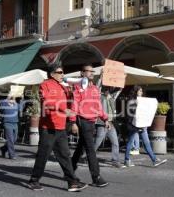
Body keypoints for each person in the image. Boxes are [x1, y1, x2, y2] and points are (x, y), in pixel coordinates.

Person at [28, 64, 87, 192]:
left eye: (63, 72)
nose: (62, 74)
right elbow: (47, 102)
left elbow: (71, 102)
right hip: (48, 127)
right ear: (52, 74)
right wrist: (63, 108)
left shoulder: (63, 86)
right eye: (60, 72)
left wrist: (74, 91)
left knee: (65, 155)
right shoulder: (46, 85)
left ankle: (72, 182)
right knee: (43, 155)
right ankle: (34, 180)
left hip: (60, 126)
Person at [70, 64, 109, 187]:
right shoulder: (78, 87)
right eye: (89, 71)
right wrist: (73, 122)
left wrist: (105, 118)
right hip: (83, 121)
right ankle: (96, 177)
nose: (92, 72)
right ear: (82, 73)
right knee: (90, 149)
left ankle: (69, 169)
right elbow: (74, 105)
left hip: (92, 121)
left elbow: (98, 105)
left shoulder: (95, 88)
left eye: (93, 71)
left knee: (81, 147)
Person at [124, 85, 167, 167]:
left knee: (147, 143)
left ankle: (154, 160)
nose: (141, 92)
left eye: (142, 91)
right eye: (140, 91)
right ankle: (126, 160)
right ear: (136, 91)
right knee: (130, 142)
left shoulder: (142, 101)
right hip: (134, 125)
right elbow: (131, 114)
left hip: (142, 125)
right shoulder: (131, 101)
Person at [94, 86, 125, 168]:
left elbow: (119, 91)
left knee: (115, 142)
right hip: (102, 123)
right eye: (107, 89)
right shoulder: (100, 97)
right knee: (97, 142)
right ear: (104, 90)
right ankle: (89, 156)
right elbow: (97, 88)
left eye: (109, 90)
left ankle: (115, 160)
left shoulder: (112, 98)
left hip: (111, 123)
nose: (108, 91)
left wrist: (122, 81)